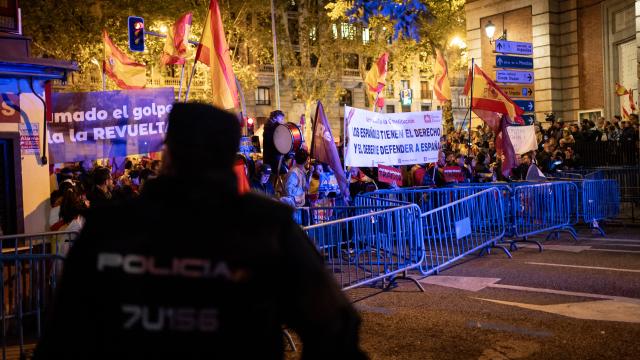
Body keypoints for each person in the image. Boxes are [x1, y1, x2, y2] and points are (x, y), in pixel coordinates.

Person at [33, 103, 365, 360]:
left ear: (169, 153)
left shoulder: (109, 227)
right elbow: (334, 325)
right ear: (229, 156)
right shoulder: (268, 226)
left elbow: (64, 335)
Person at [262, 110, 286, 179]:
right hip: (273, 159)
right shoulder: (272, 128)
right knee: (275, 176)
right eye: (281, 118)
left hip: (270, 158)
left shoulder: (269, 127)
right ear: (276, 117)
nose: (282, 120)